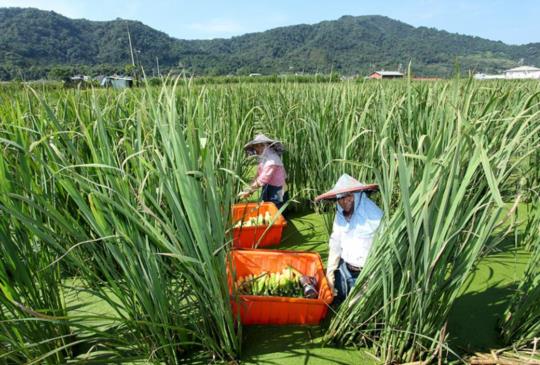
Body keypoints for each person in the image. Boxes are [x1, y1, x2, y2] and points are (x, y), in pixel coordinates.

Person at [315, 174, 383, 304]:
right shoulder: (340, 213)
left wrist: (372, 278)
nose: (344, 201)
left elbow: (383, 249)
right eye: (340, 197)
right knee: (338, 303)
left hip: (367, 274)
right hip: (345, 269)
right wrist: (330, 273)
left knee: (357, 313)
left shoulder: (374, 215)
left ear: (357, 194)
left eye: (349, 195)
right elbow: (336, 243)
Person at [238, 134, 288, 209]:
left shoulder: (272, 160)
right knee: (265, 206)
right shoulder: (264, 159)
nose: (258, 148)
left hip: (278, 189)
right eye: (256, 146)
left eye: (261, 145)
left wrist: (250, 191)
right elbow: (258, 175)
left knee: (275, 210)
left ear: (267, 146)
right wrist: (248, 189)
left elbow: (263, 179)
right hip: (267, 186)